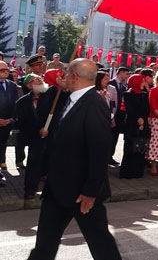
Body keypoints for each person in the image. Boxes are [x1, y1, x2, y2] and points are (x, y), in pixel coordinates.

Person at [28, 58, 121, 260]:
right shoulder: (70, 98)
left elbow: (99, 151)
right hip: (57, 189)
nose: (63, 77)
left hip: (81, 193)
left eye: (66, 73)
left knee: (101, 245)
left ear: (75, 76)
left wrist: (90, 191)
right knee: (44, 246)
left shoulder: (94, 104)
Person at [16, 74, 48, 199]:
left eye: (41, 79)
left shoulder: (51, 98)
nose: (41, 80)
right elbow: (23, 123)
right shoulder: (22, 102)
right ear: (30, 85)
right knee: (34, 164)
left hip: (52, 137)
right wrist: (38, 131)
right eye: (37, 80)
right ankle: (30, 189)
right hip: (35, 138)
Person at [119, 74, 150, 179]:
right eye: (141, 82)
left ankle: (138, 171)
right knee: (130, 148)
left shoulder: (145, 95)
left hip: (143, 124)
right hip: (132, 124)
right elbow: (129, 109)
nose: (143, 84)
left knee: (140, 148)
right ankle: (127, 172)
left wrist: (142, 119)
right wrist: (138, 119)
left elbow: (146, 109)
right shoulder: (128, 94)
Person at [108, 67, 129, 167]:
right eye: (126, 74)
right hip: (112, 114)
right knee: (109, 137)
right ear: (120, 73)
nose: (127, 76)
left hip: (120, 115)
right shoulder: (111, 83)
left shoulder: (124, 86)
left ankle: (110, 156)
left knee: (115, 137)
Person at [0, 60, 18, 171]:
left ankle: (2, 160)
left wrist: (11, 119)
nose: (6, 72)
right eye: (2, 70)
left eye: (7, 69)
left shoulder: (11, 85)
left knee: (2, 144)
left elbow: (16, 104)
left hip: (7, 123)